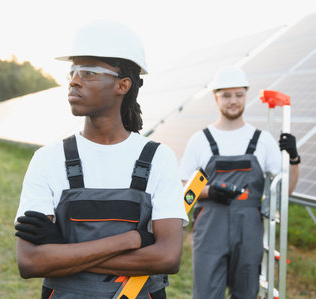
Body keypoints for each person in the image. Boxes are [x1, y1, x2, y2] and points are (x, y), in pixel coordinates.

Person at [14, 19, 188, 299]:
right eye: (72, 71)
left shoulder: (158, 158)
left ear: (123, 85)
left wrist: (63, 251)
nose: (73, 80)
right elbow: (30, 262)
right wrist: (130, 240)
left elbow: (167, 257)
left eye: (89, 72)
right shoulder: (47, 159)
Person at [179, 66, 300, 299]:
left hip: (249, 229)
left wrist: (294, 159)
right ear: (216, 98)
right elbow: (183, 187)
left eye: (238, 94)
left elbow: (287, 190)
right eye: (226, 95)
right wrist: (209, 191)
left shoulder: (262, 140)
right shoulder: (200, 140)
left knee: (246, 293)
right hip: (209, 227)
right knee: (205, 293)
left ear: (246, 95)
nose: (233, 101)